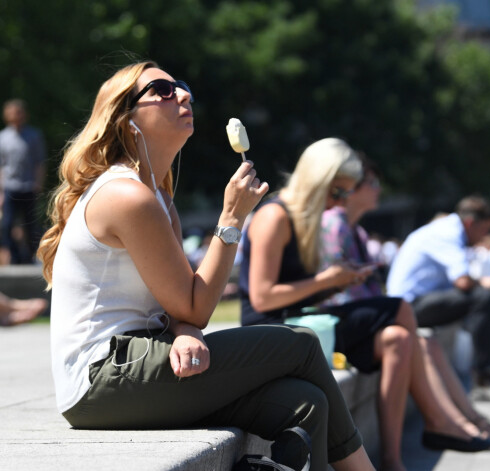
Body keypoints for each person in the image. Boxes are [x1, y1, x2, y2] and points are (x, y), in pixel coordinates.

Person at [37, 61, 374, 471]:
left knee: (307, 403)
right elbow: (197, 304)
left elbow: (180, 304)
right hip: (102, 378)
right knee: (300, 343)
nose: (182, 94)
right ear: (128, 120)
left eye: (181, 86)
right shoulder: (127, 197)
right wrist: (231, 219)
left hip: (140, 362)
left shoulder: (158, 199)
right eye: (161, 90)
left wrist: (184, 331)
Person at [240, 139, 490, 471]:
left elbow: (296, 294)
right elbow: (263, 297)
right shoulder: (274, 216)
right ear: (318, 180)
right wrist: (327, 281)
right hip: (271, 331)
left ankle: (393, 460)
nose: (338, 204)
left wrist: (335, 282)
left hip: (300, 321)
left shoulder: (302, 220)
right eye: (337, 193)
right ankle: (438, 421)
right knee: (399, 309)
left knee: (398, 338)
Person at [319, 157, 490, 446]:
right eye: (373, 182)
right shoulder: (335, 223)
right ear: (348, 188)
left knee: (422, 341)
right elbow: (463, 283)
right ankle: (453, 416)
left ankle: (465, 420)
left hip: (385, 311)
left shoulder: (356, 229)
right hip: (390, 310)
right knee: (474, 301)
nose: (379, 189)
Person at [386, 196, 490, 402]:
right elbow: (463, 282)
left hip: (413, 302)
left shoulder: (446, 230)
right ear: (470, 223)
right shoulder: (448, 233)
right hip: (407, 307)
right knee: (483, 298)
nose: (484, 237)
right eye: (484, 230)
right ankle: (485, 379)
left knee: (482, 297)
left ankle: (484, 375)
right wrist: (488, 283)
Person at [0, 99, 46, 264]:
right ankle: (13, 255)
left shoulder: (33, 135)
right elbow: (2, 166)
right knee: (7, 223)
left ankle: (30, 256)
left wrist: (38, 183)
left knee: (30, 224)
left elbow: (39, 162)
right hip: (10, 187)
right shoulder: (3, 137)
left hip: (28, 186)